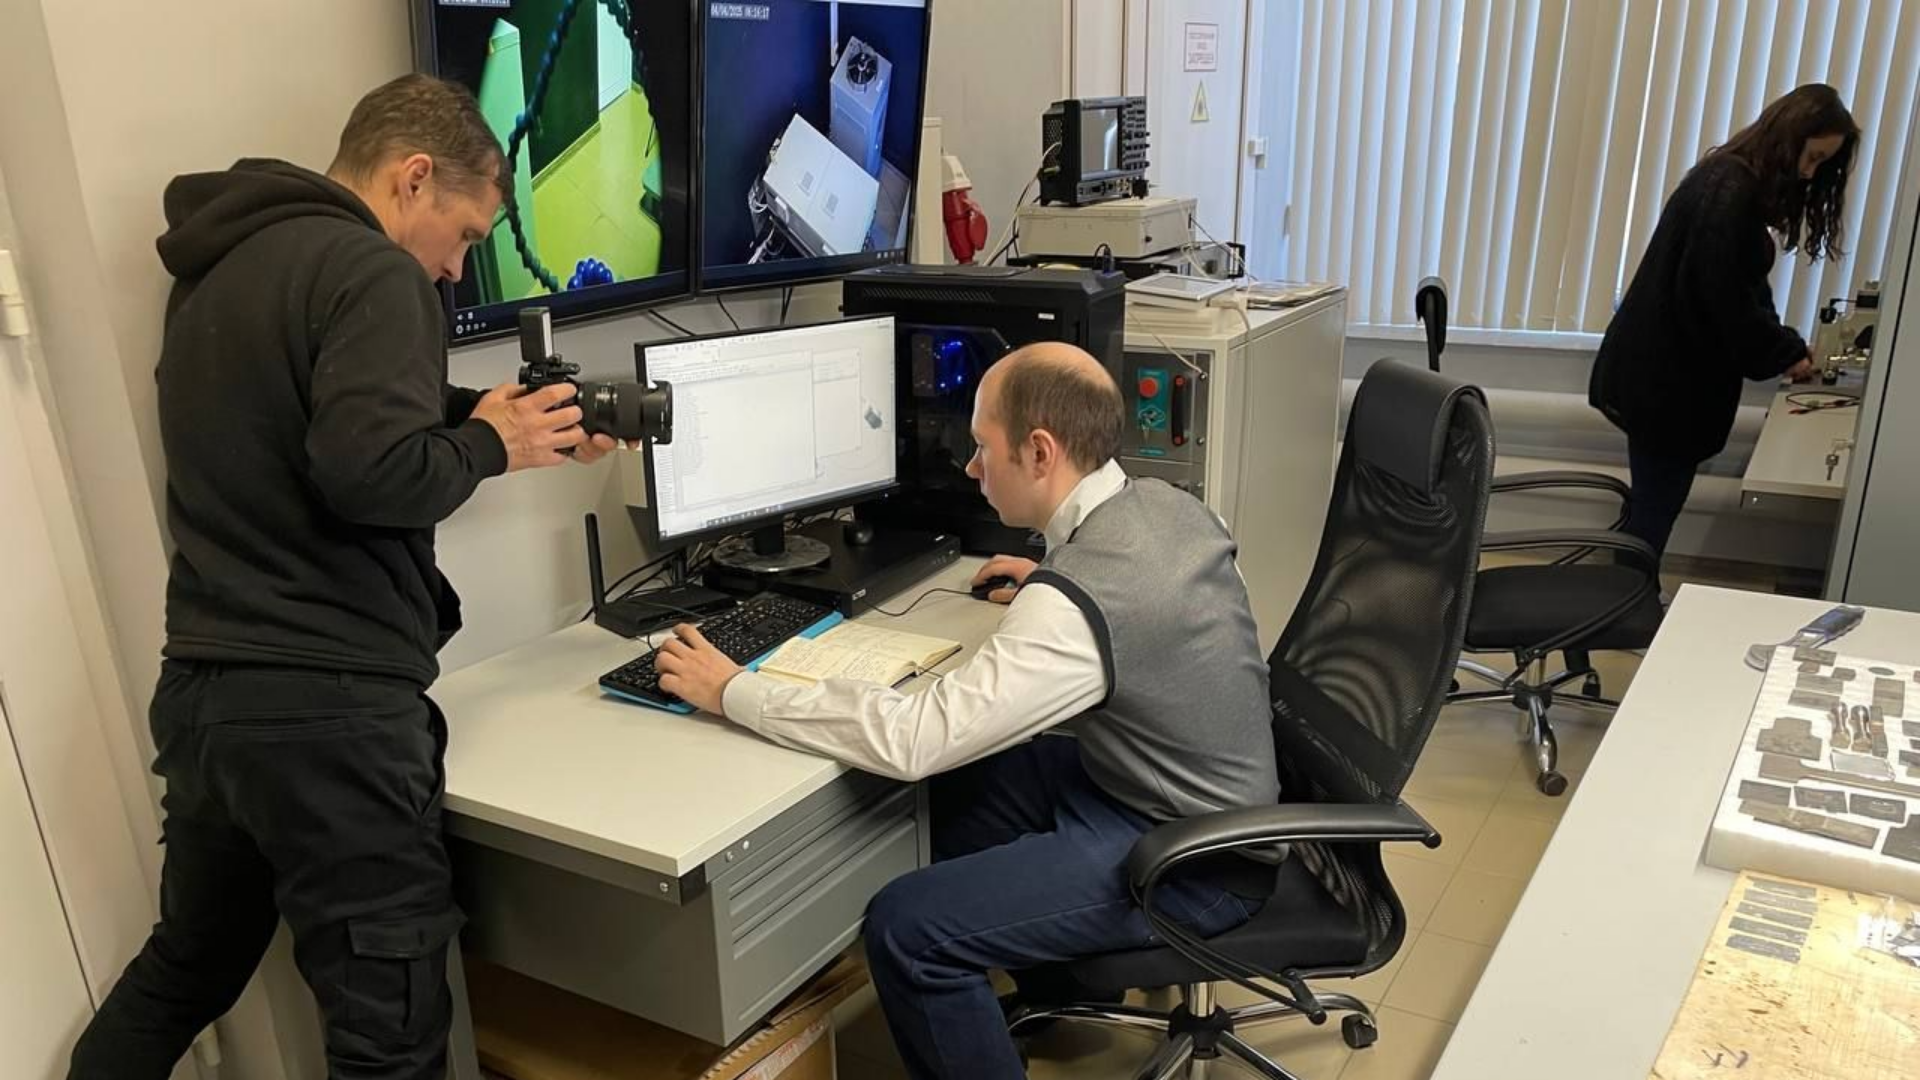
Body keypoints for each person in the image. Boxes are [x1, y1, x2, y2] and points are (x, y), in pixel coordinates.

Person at [68, 75, 613, 1080]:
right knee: (389, 1037)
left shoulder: (221, 269)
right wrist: (493, 448)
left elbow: (320, 419)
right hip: (330, 719)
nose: (455, 270)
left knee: (186, 972)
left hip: (209, 700)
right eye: (463, 236)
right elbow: (368, 472)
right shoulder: (374, 272)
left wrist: (488, 415)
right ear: (413, 178)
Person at [656, 343, 1280, 1080]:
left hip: (1195, 859)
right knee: (952, 796)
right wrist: (1051, 577)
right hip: (1171, 792)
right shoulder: (1167, 508)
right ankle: (1058, 978)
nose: (972, 469)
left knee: (906, 930)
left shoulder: (1074, 606)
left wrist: (734, 690)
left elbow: (914, 739)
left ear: (1039, 452)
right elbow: (1147, 616)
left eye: (984, 447)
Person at [1591, 83, 1858, 562]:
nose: (1808, 172)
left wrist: (1786, 348)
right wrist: (1783, 352)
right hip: (1664, 385)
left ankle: (1625, 591)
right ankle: (1624, 596)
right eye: (1811, 157)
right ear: (1788, 137)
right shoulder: (1728, 191)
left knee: (1653, 507)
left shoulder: (1730, 182)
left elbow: (1748, 288)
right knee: (1655, 510)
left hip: (1660, 379)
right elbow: (1725, 301)